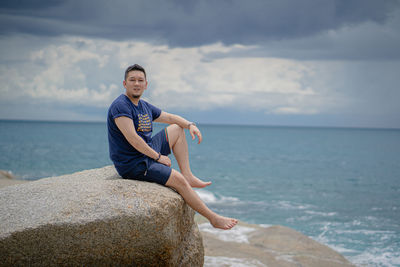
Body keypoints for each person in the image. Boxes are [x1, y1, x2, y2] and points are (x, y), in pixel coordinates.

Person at [107, 64, 237, 230]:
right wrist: (158, 157)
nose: (137, 83)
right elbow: (133, 139)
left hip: (145, 152)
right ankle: (213, 218)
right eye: (132, 80)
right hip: (134, 163)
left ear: (146, 84)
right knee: (179, 181)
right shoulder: (121, 105)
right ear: (125, 84)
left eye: (140, 80)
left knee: (177, 128)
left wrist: (190, 125)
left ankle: (188, 174)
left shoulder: (144, 106)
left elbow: (169, 117)